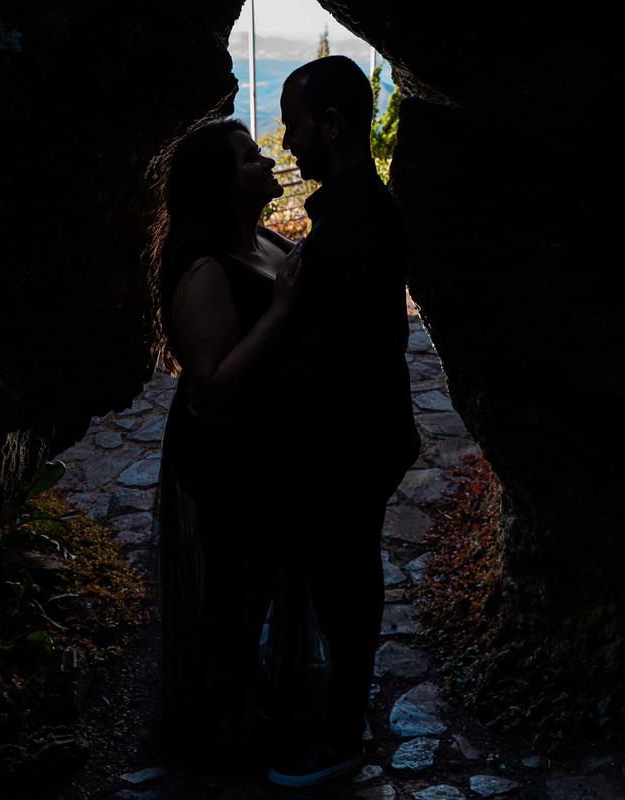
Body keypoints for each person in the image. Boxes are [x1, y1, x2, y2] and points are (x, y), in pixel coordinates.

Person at [255, 55, 422, 787]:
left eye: (294, 125)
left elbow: (331, 362)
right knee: (353, 579)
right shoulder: (362, 212)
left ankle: (341, 736)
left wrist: (245, 393)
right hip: (371, 432)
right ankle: (344, 721)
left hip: (347, 443)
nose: (287, 144)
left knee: (342, 588)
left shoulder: (348, 231)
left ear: (331, 124)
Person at [146, 118, 305, 772]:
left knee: (260, 582)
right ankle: (220, 725)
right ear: (219, 186)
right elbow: (208, 386)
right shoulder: (204, 269)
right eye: (247, 159)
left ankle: (248, 705)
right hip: (224, 459)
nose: (265, 161)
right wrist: (280, 313)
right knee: (233, 591)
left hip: (264, 450)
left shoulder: (261, 240)